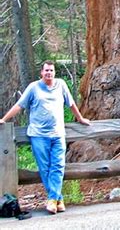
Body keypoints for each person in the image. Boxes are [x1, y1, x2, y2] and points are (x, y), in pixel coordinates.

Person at [0, 61, 90, 214]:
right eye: (46, 70)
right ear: (41, 73)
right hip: (38, 135)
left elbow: (71, 103)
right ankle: (57, 199)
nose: (49, 73)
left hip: (58, 134)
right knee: (45, 167)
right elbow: (20, 105)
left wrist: (80, 119)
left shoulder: (61, 85)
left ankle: (53, 199)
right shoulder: (34, 88)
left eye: (52, 70)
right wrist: (4, 119)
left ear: (54, 72)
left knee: (58, 166)